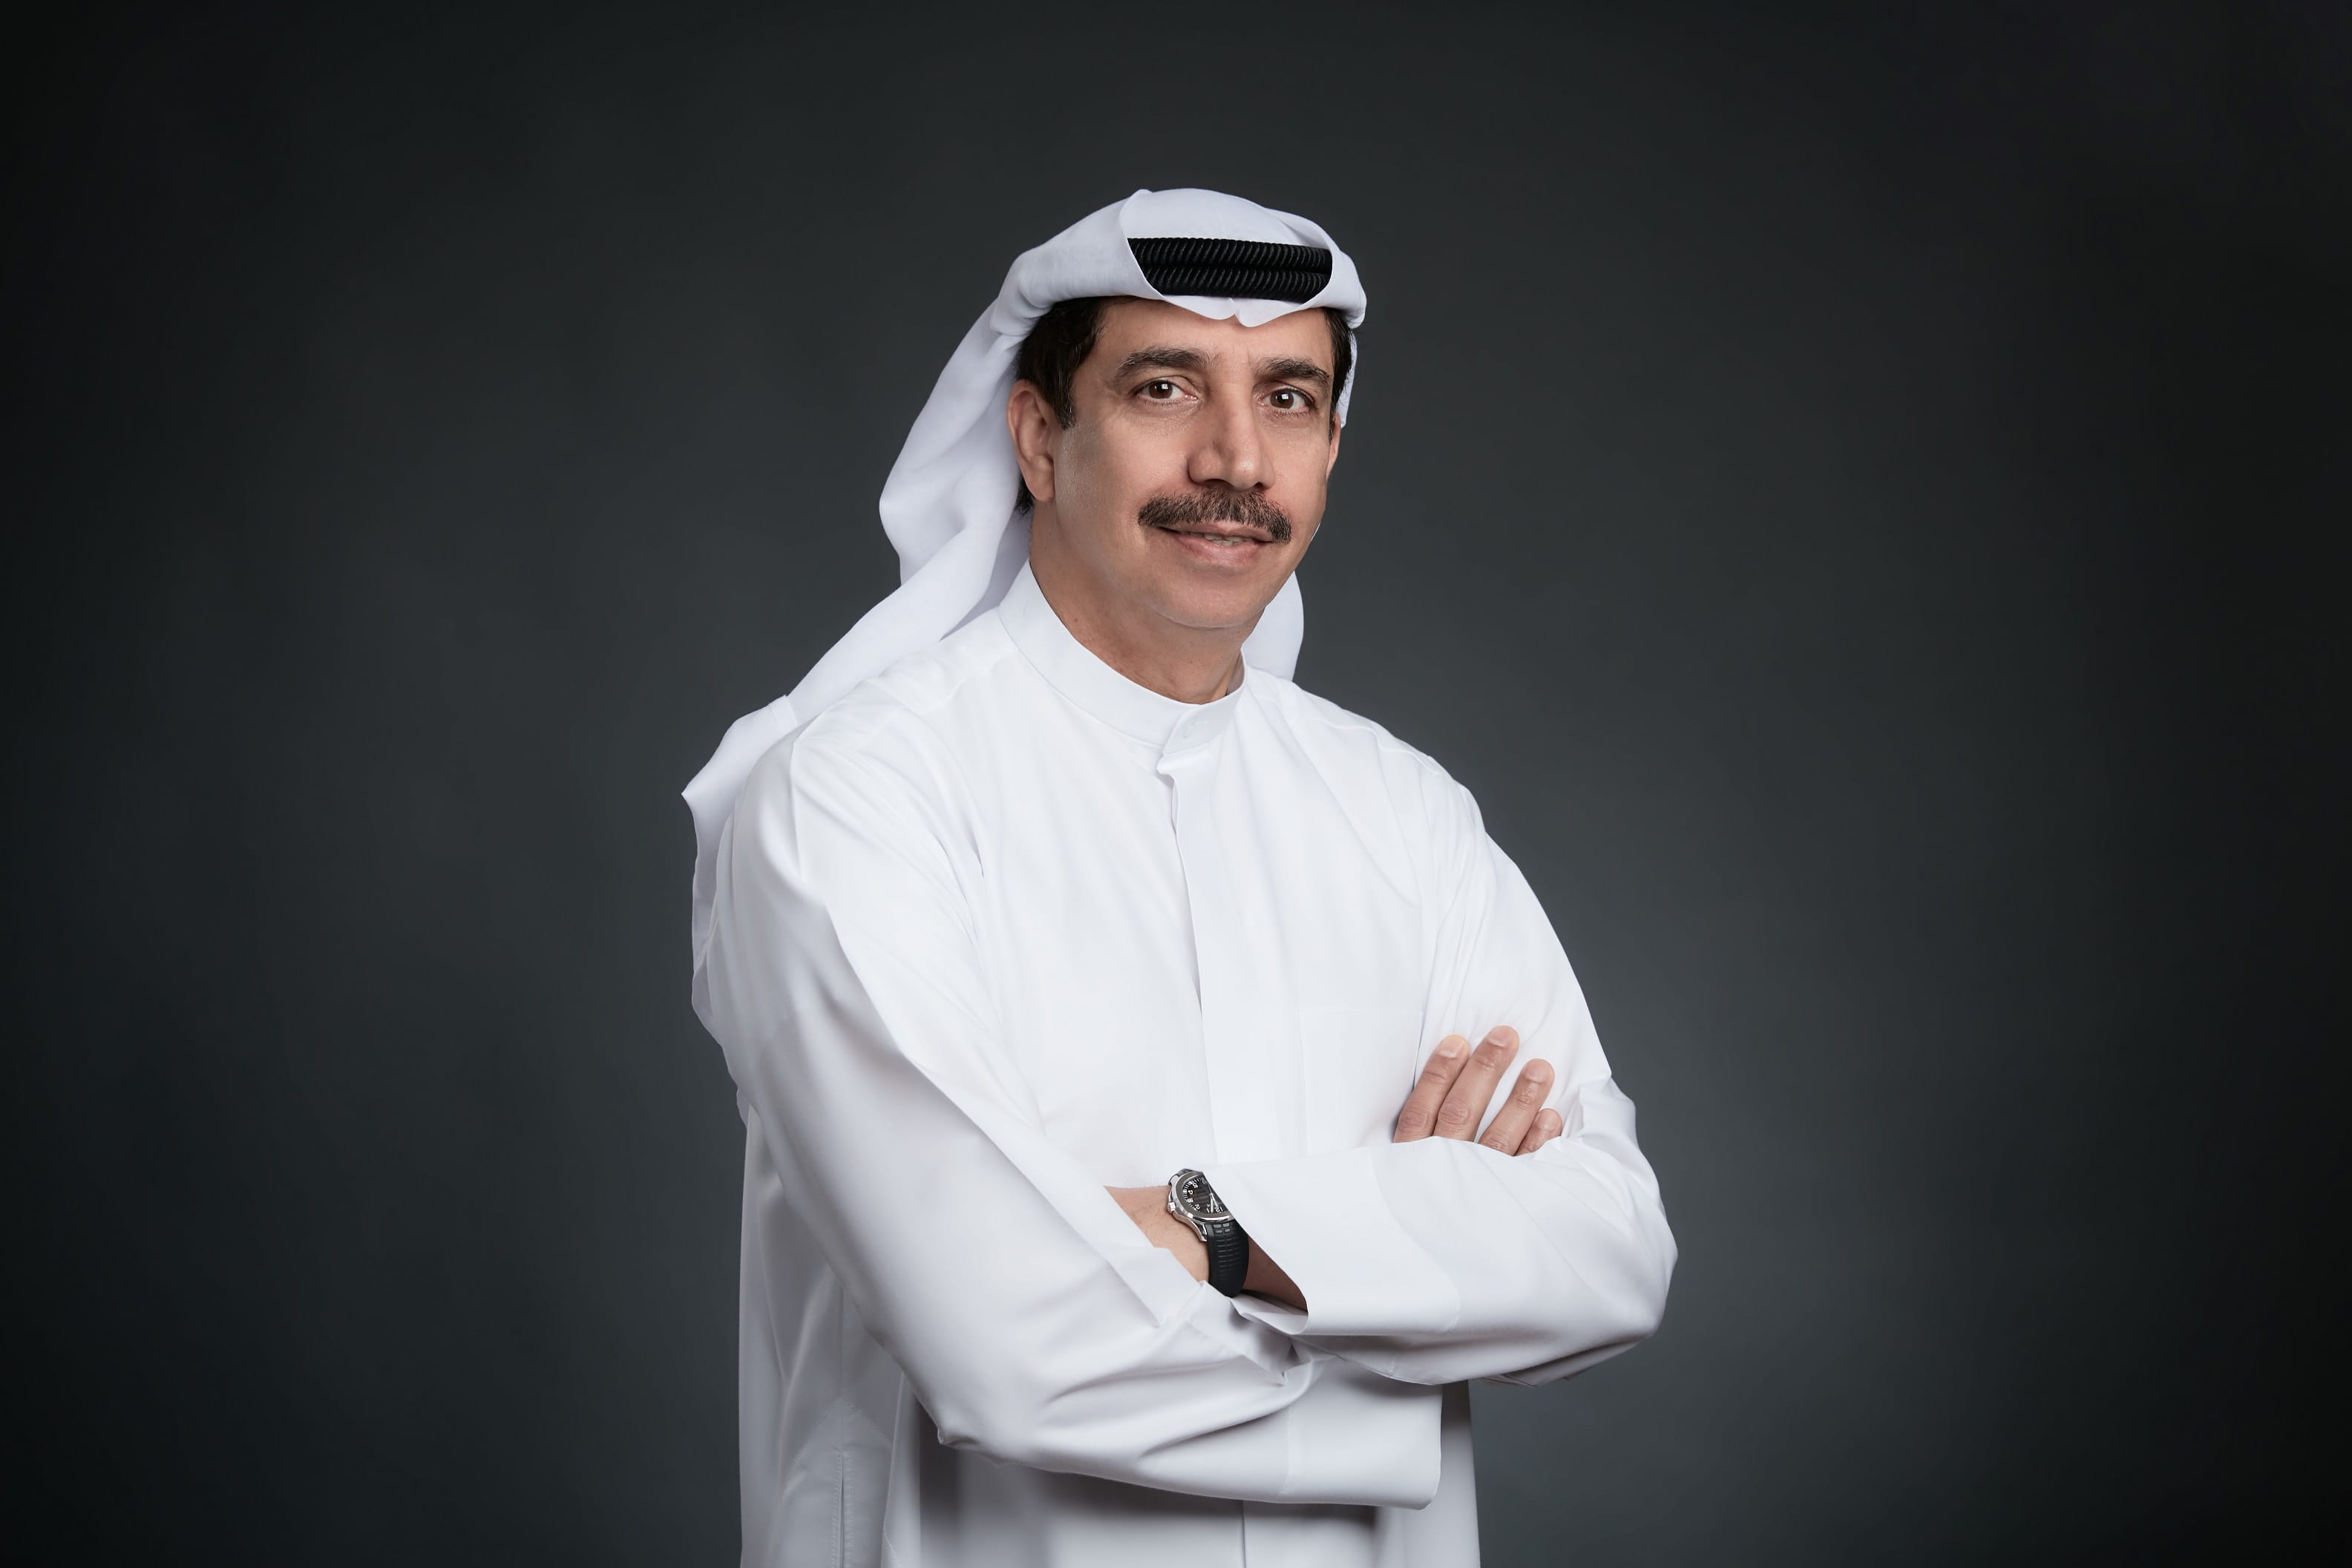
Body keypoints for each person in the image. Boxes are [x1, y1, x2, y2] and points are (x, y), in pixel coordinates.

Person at [684, 188, 1676, 1568]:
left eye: (1288, 399)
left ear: (1330, 446)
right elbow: (1005, 1345)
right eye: (1164, 386)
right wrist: (1401, 1318)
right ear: (1038, 437)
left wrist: (1199, 1229)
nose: (1235, 459)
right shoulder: (853, 796)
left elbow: (1611, 1247)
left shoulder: (1406, 815)